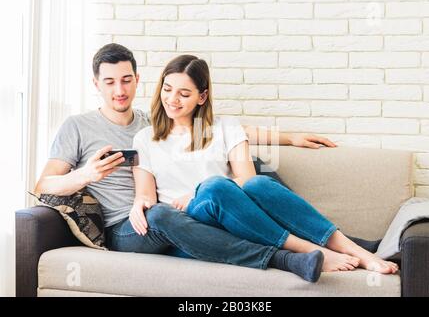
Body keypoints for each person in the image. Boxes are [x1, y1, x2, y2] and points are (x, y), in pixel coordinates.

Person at [34, 43, 345, 283]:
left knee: (255, 177)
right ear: (96, 83)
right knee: (162, 215)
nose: (120, 90)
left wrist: (290, 138)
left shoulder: (150, 122)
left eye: (126, 80)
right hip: (128, 227)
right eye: (110, 82)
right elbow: (43, 186)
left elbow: (221, 129)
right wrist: (86, 175)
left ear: (138, 80)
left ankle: (331, 239)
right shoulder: (76, 126)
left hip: (171, 215)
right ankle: (284, 258)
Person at [132, 54, 399, 275]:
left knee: (254, 183)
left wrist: (196, 191)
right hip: (190, 223)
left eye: (184, 93)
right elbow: (146, 195)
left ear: (201, 97)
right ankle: (312, 250)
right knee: (214, 187)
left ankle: (357, 250)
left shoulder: (225, 128)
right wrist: (138, 204)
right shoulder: (145, 138)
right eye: (167, 90)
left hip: (228, 209)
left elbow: (245, 180)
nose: (172, 99)